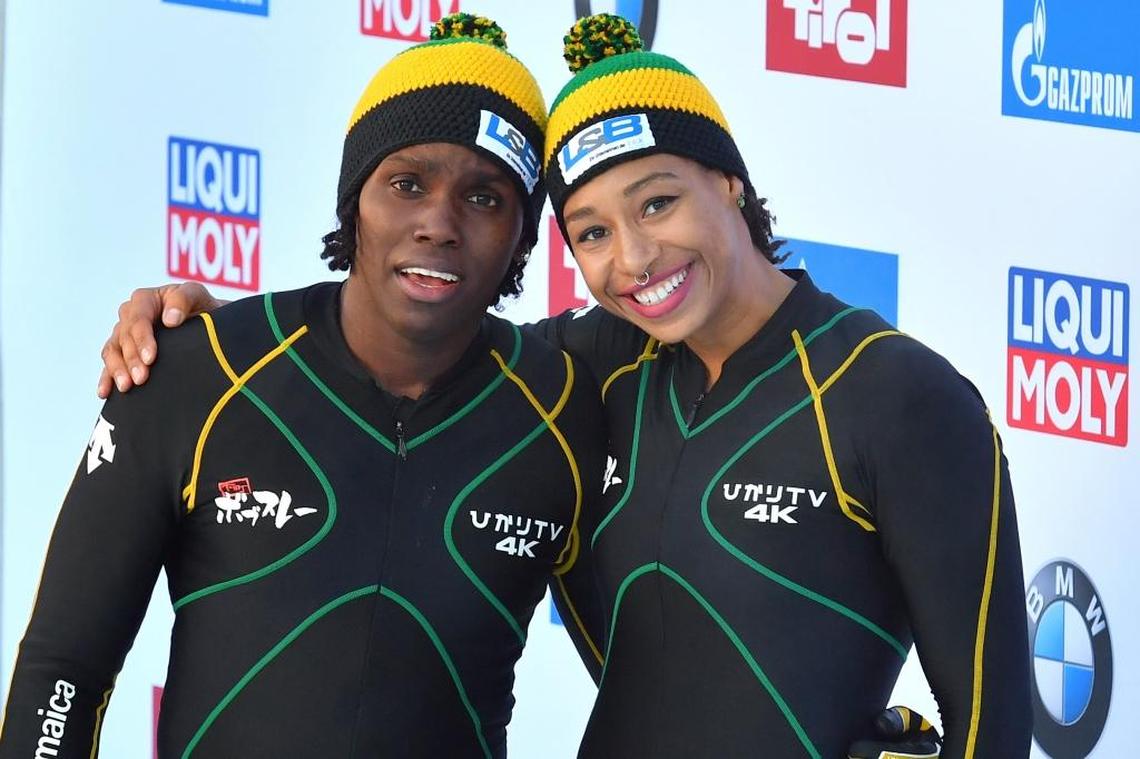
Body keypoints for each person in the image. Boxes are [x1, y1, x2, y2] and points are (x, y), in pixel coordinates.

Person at [85, 13, 1013, 759]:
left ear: (730, 184)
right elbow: (413, 334)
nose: (636, 257)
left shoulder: (896, 393)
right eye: (593, 232)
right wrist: (190, 322)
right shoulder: (596, 369)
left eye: (658, 201)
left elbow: (995, 720)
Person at [0, 15, 607, 758]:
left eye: (485, 198)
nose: (438, 224)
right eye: (406, 183)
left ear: (523, 237)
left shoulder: (566, 409)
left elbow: (673, 675)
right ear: (354, 201)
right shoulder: (198, 371)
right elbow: (64, 669)